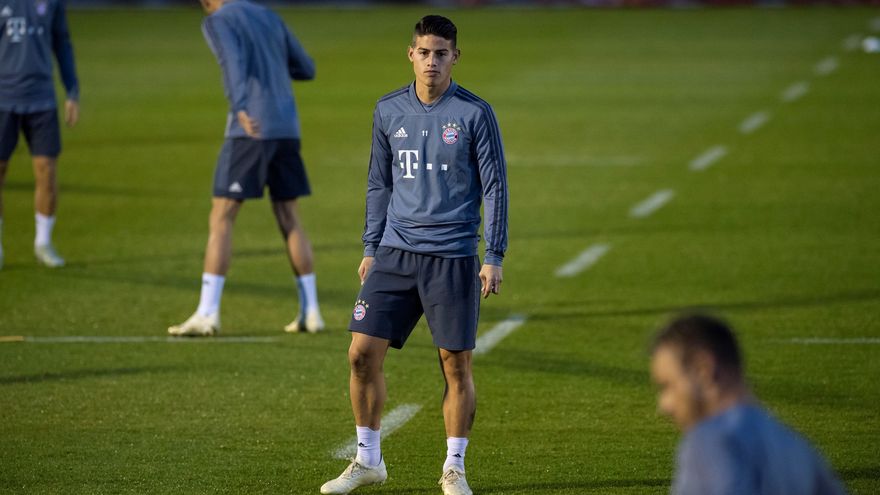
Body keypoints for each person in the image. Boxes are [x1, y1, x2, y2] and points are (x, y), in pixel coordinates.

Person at [321, 15, 508, 495]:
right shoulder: (388, 110)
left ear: (455, 57)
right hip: (394, 253)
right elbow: (378, 183)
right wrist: (371, 246)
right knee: (361, 354)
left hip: (452, 255)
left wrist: (494, 254)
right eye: (424, 53)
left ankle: (454, 468)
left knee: (455, 365)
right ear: (411, 54)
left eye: (441, 53)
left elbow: (495, 186)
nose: (432, 62)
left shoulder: (475, 113)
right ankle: (368, 460)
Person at [168, 0, 323, 336]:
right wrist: (273, 68)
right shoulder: (269, 15)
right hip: (287, 127)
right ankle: (311, 311)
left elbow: (233, 63)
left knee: (222, 215)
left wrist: (240, 105)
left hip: (250, 128)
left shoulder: (219, 20)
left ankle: (207, 313)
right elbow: (306, 68)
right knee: (290, 216)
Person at [650, 313, 846, 495]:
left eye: (668, 386)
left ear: (703, 370)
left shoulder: (711, 441)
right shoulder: (796, 447)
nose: (664, 406)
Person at [0, 0, 80, 270]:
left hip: (42, 99)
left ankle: (43, 242)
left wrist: (72, 91)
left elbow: (62, 42)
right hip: (3, 99)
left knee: (47, 169)